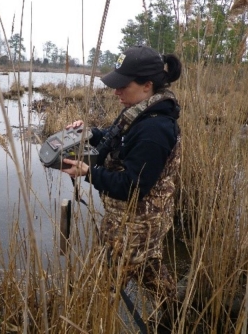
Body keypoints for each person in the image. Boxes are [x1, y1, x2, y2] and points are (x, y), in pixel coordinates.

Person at [62, 45, 182, 310]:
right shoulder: (142, 111)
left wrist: (88, 172)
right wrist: (89, 133)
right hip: (138, 224)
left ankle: (90, 323)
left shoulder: (155, 128)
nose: (116, 92)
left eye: (122, 85)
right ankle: (176, 315)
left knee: (96, 294)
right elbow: (119, 138)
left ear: (147, 85)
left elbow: (132, 186)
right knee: (151, 271)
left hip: (133, 229)